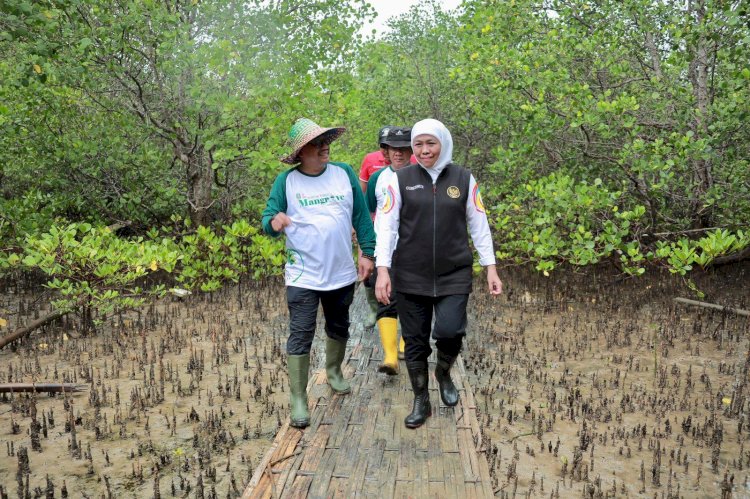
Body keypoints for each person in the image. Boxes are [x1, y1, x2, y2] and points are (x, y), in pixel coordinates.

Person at [374, 118, 503, 429]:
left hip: (454, 272)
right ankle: (421, 400)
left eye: (430, 143)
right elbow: (387, 227)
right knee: (415, 342)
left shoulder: (464, 178)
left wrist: (491, 268)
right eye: (418, 144)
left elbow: (478, 224)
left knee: (450, 330)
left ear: (443, 142)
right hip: (410, 274)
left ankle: (443, 371)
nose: (424, 150)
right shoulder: (399, 180)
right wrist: (382, 270)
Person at [262, 118, 376, 429]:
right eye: (316, 143)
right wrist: (275, 223)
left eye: (326, 140)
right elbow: (268, 218)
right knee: (301, 332)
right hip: (303, 274)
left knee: (340, 324)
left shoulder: (344, 174)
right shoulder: (287, 182)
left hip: (340, 271)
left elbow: (361, 216)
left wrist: (367, 252)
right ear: (301, 152)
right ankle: (299, 397)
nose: (324, 146)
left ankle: (334, 371)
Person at [365, 126, 412, 375]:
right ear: (386, 151)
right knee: (385, 297)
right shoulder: (377, 179)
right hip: (385, 249)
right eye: (394, 148)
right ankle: (390, 356)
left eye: (404, 148)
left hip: (415, 249)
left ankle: (405, 342)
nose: (399, 153)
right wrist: (367, 251)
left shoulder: (422, 176)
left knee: (413, 299)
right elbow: (370, 212)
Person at [358, 126, 394, 328]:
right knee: (368, 273)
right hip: (373, 224)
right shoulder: (370, 160)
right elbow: (363, 196)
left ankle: (392, 311)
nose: (387, 151)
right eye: (384, 146)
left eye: (391, 146)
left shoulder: (410, 160)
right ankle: (374, 309)